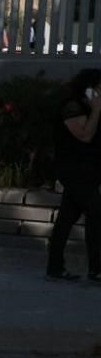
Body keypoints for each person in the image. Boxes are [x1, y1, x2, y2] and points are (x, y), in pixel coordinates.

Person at [47, 69, 101, 283]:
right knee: (96, 214)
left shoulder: (91, 108)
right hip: (74, 171)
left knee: (66, 219)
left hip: (89, 171)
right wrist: (97, 110)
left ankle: (55, 268)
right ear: (88, 89)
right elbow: (85, 135)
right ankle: (96, 270)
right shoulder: (73, 107)